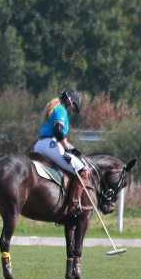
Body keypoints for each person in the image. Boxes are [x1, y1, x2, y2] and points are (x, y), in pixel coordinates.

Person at [33, 89, 88, 218]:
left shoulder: (51, 108)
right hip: (51, 145)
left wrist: (69, 146)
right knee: (84, 171)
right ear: (69, 101)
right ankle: (73, 206)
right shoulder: (61, 109)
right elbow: (57, 130)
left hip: (39, 145)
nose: (72, 110)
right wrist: (66, 147)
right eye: (73, 106)